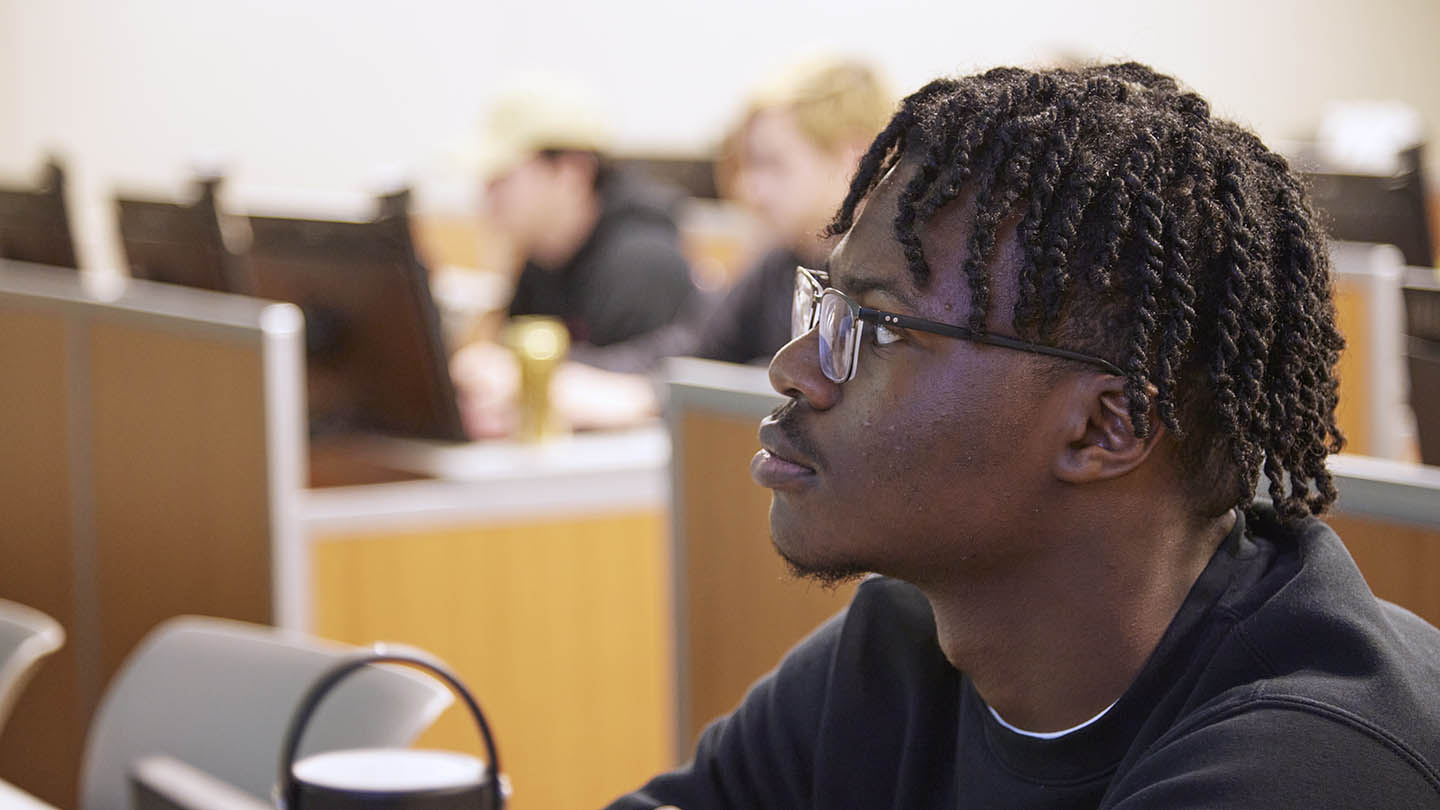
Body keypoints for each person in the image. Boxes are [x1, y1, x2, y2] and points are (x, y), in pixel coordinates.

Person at [607, 63, 1440, 808]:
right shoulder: (900, 646)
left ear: (1104, 428)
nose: (795, 368)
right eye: (825, 309)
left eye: (884, 329)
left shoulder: (1305, 762)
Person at [450, 83, 699, 435]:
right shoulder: (541, 257)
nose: (487, 196)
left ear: (572, 171)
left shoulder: (642, 263)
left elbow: (628, 410)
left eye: (501, 178)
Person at [691, 56, 894, 364]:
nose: (748, 189)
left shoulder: (899, 286)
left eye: (772, 164)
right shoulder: (782, 261)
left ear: (855, 159)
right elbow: (698, 353)